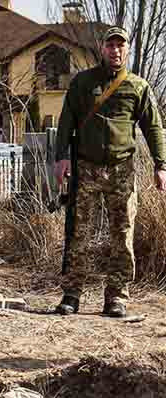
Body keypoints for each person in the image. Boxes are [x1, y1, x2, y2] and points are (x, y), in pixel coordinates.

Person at [54, 26, 166, 318]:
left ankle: (116, 296)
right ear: (102, 49)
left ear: (126, 49)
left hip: (121, 170)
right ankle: (72, 294)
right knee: (79, 232)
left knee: (122, 234)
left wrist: (161, 165)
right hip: (86, 168)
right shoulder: (82, 83)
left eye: (120, 45)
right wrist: (61, 157)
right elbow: (66, 120)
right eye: (110, 45)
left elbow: (154, 127)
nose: (115, 50)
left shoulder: (138, 87)